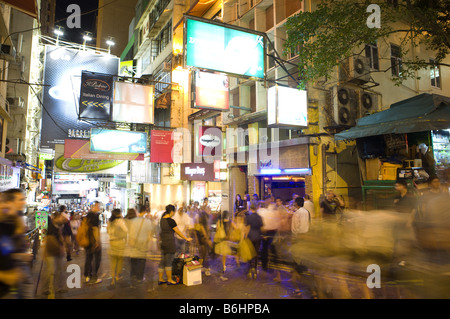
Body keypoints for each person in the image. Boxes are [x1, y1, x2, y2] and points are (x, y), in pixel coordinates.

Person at [1, 189, 33, 299]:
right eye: (21, 200)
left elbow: (8, 250)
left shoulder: (7, 224)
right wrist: (6, 276)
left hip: (14, 281)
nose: (24, 202)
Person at [158, 205, 192, 285]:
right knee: (169, 261)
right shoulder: (171, 221)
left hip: (163, 243)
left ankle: (160, 279)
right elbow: (178, 232)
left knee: (162, 262)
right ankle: (169, 279)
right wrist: (186, 238)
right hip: (169, 243)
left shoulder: (162, 219)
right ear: (172, 212)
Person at [0, 194, 24, 299]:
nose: (4, 205)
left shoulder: (3, 226)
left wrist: (14, 214)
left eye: (4, 201)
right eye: (1, 202)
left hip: (9, 289)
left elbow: (19, 229)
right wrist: (6, 276)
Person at [42, 211, 68, 297]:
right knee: (51, 272)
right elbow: (50, 240)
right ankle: (49, 289)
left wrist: (63, 246)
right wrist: (60, 247)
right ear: (56, 218)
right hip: (51, 252)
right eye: (60, 217)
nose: (62, 219)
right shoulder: (51, 227)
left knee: (60, 270)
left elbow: (62, 237)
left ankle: (59, 288)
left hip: (58, 252)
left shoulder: (61, 226)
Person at [126, 206, 153, 286]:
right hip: (143, 244)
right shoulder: (147, 222)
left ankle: (133, 275)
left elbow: (130, 233)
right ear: (145, 211)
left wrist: (130, 243)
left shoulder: (133, 221)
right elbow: (149, 235)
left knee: (133, 260)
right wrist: (150, 245)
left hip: (134, 243)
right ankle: (139, 278)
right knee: (142, 261)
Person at [258, 195, 281, 281]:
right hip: (265, 232)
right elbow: (260, 222)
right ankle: (265, 267)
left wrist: (278, 231)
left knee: (273, 250)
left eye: (269, 200)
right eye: (266, 200)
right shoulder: (261, 210)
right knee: (264, 250)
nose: (268, 201)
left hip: (273, 231)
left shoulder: (273, 208)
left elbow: (277, 220)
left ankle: (275, 269)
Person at [107, 209, 128, 288]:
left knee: (113, 261)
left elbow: (108, 232)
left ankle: (112, 278)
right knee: (120, 260)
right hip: (120, 242)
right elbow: (126, 230)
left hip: (112, 242)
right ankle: (117, 275)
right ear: (119, 214)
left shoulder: (109, 221)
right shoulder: (120, 221)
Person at [84, 201, 102, 284]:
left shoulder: (88, 215)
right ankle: (94, 277)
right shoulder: (95, 216)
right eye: (98, 206)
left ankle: (87, 276)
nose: (99, 208)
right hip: (93, 241)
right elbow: (95, 229)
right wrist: (97, 242)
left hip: (87, 240)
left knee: (88, 258)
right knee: (97, 259)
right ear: (94, 206)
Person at [245, 205, 263, 279]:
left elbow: (247, 228)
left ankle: (249, 268)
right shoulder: (259, 217)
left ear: (250, 209)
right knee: (256, 253)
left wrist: (245, 236)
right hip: (257, 237)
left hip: (250, 237)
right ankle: (255, 269)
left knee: (250, 252)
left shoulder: (249, 217)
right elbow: (262, 228)